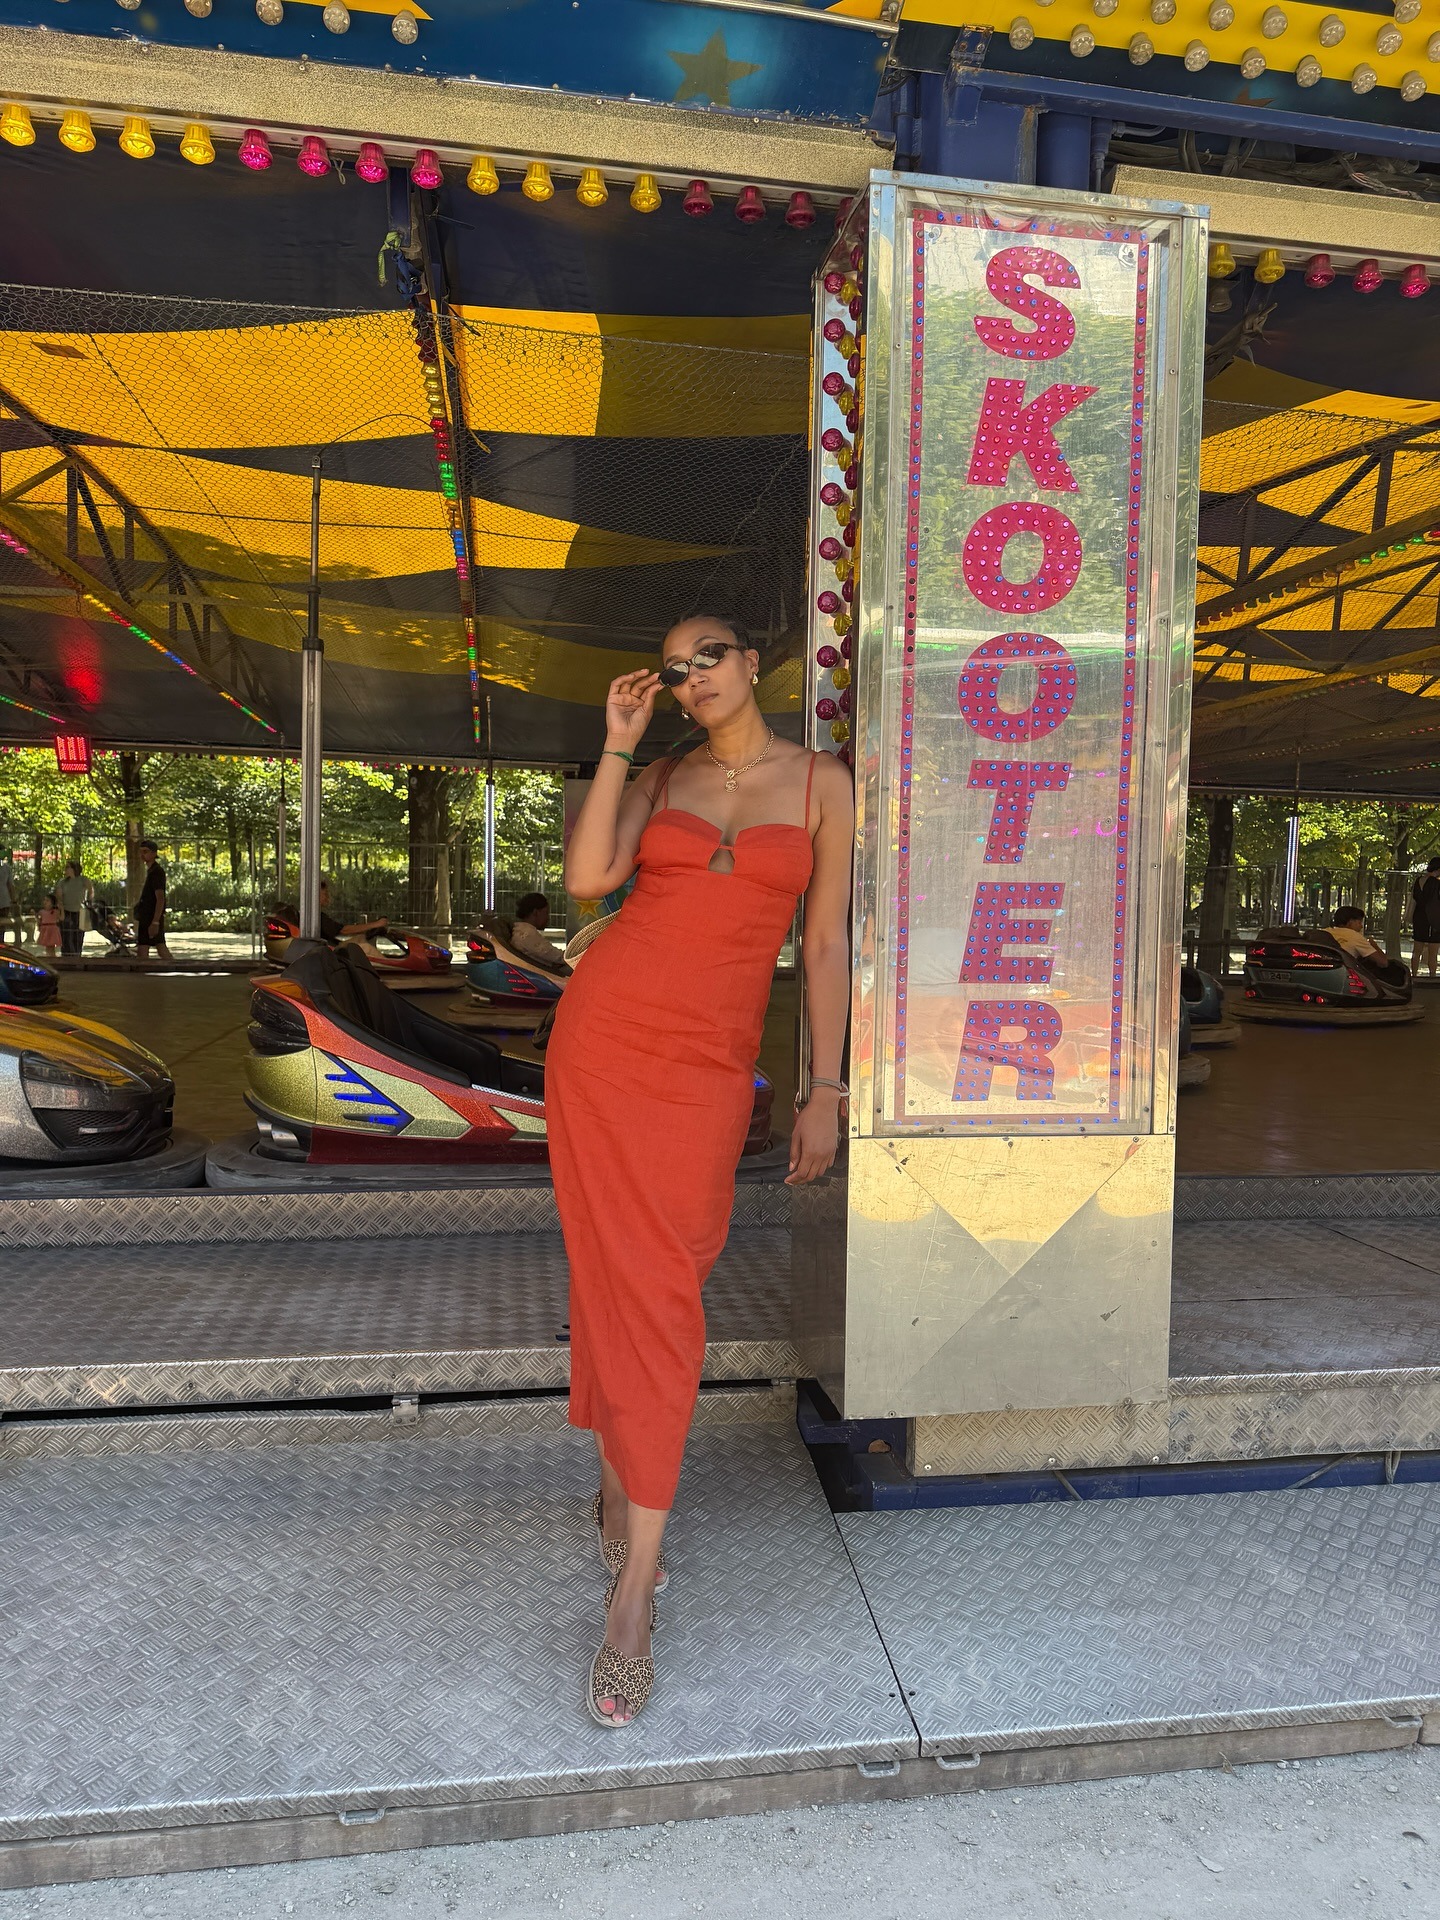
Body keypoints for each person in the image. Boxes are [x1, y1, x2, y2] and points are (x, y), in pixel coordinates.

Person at [547, 613, 853, 1728]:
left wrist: (828, 1088)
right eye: (670, 669)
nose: (689, 677)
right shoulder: (661, 768)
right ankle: (633, 1592)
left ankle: (621, 1488)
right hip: (606, 1040)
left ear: (752, 663)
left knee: (666, 1286)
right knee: (619, 1282)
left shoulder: (823, 782)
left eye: (706, 655)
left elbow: (824, 945)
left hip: (708, 1069)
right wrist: (619, 740)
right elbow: (587, 882)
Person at [507, 893, 571, 975]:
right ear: (536, 912)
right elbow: (558, 956)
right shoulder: (527, 934)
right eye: (546, 913)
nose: (548, 918)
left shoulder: (521, 930)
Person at [133, 839, 169, 959]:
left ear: (153, 853)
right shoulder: (151, 871)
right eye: (141, 852)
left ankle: (177, 968)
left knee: (153, 948)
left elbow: (160, 898)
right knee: (151, 947)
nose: (142, 854)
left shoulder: (157, 872)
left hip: (151, 916)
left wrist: (155, 921)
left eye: (146, 851)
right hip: (147, 915)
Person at [1412, 857, 1440, 979]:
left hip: (1419, 917)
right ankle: (1432, 976)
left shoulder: (1418, 881)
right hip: (1434, 920)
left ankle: (1413, 975)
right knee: (1433, 953)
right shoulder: (1437, 884)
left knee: (1417, 950)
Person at [57, 860, 92, 957]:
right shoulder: (62, 882)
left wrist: (89, 901)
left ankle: (77, 956)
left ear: (74, 869)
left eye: (67, 867)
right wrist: (61, 910)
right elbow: (59, 897)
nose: (65, 869)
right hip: (67, 912)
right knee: (66, 935)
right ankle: (67, 957)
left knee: (78, 935)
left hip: (80, 912)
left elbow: (91, 890)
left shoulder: (83, 879)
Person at [0, 850, 17, 946]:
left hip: (4, 902)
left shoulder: (6, 867)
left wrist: (13, 900)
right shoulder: (6, 867)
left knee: (2, 926)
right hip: (5, 901)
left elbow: (10, 885)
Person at [36, 891, 61, 955]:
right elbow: (39, 920)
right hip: (45, 929)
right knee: (47, 947)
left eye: (47, 901)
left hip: (52, 930)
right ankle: (49, 957)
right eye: (44, 900)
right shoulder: (41, 912)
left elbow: (61, 918)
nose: (45, 902)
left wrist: (62, 908)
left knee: (51, 946)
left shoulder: (55, 911)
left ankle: (52, 957)